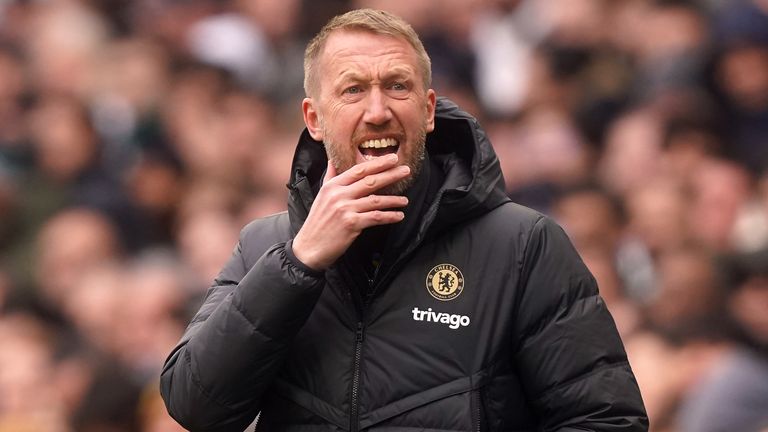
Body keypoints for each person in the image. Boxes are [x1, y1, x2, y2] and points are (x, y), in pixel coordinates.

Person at [160, 9, 648, 432]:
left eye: (397, 86)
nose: (378, 111)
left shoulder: (523, 245)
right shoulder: (266, 246)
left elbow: (605, 419)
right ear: (314, 118)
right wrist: (298, 264)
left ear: (429, 109)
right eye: (353, 90)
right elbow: (195, 406)